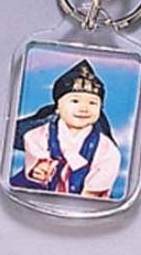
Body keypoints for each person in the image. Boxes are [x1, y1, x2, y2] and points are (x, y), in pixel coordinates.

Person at [10, 59, 121, 199]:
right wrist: (39, 166)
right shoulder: (43, 133)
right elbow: (33, 142)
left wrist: (91, 193)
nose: (84, 108)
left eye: (92, 103)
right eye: (75, 101)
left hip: (82, 191)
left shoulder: (103, 144)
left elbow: (106, 166)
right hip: (43, 188)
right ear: (58, 106)